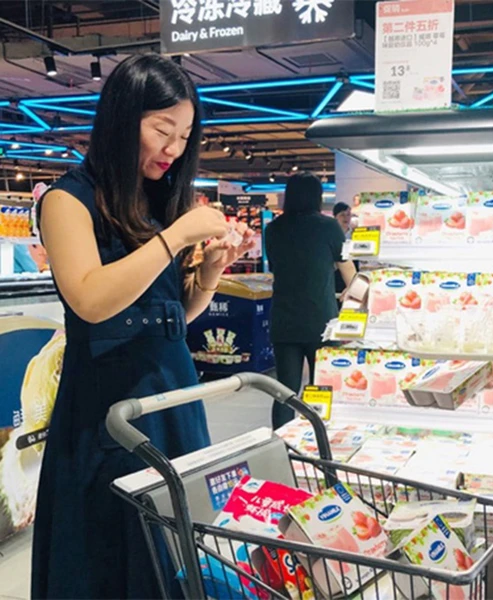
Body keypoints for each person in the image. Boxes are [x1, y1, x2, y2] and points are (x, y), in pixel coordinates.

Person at [31, 54, 255, 599]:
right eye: (162, 129)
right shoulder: (67, 200)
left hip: (174, 398)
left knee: (175, 552)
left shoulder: (154, 204)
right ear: (121, 118)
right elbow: (90, 300)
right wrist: (175, 237)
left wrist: (210, 271)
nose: (173, 148)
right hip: (110, 409)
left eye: (184, 136)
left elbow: (173, 318)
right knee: (111, 553)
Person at [264, 173, 356, 428]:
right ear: (317, 197)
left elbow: (277, 267)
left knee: (285, 391)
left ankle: (283, 441)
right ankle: (318, 438)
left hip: (284, 320)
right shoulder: (329, 227)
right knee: (322, 387)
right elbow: (348, 270)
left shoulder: (273, 229)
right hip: (321, 320)